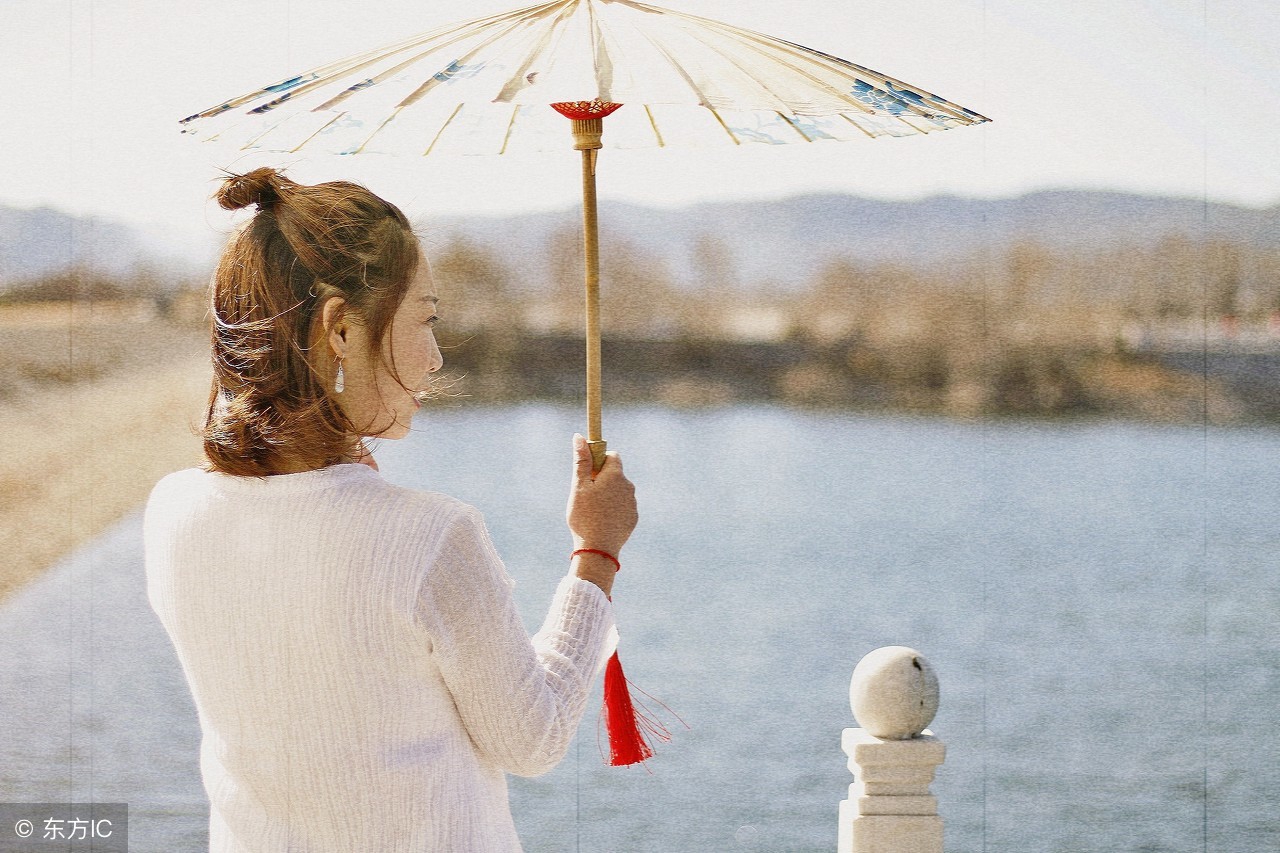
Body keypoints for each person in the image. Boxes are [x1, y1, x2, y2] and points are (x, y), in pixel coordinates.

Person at [143, 167, 638, 852]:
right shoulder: (431, 538)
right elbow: (534, 738)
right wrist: (596, 553)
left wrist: (344, 461)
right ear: (341, 329)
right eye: (425, 319)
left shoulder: (172, 512)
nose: (435, 357)